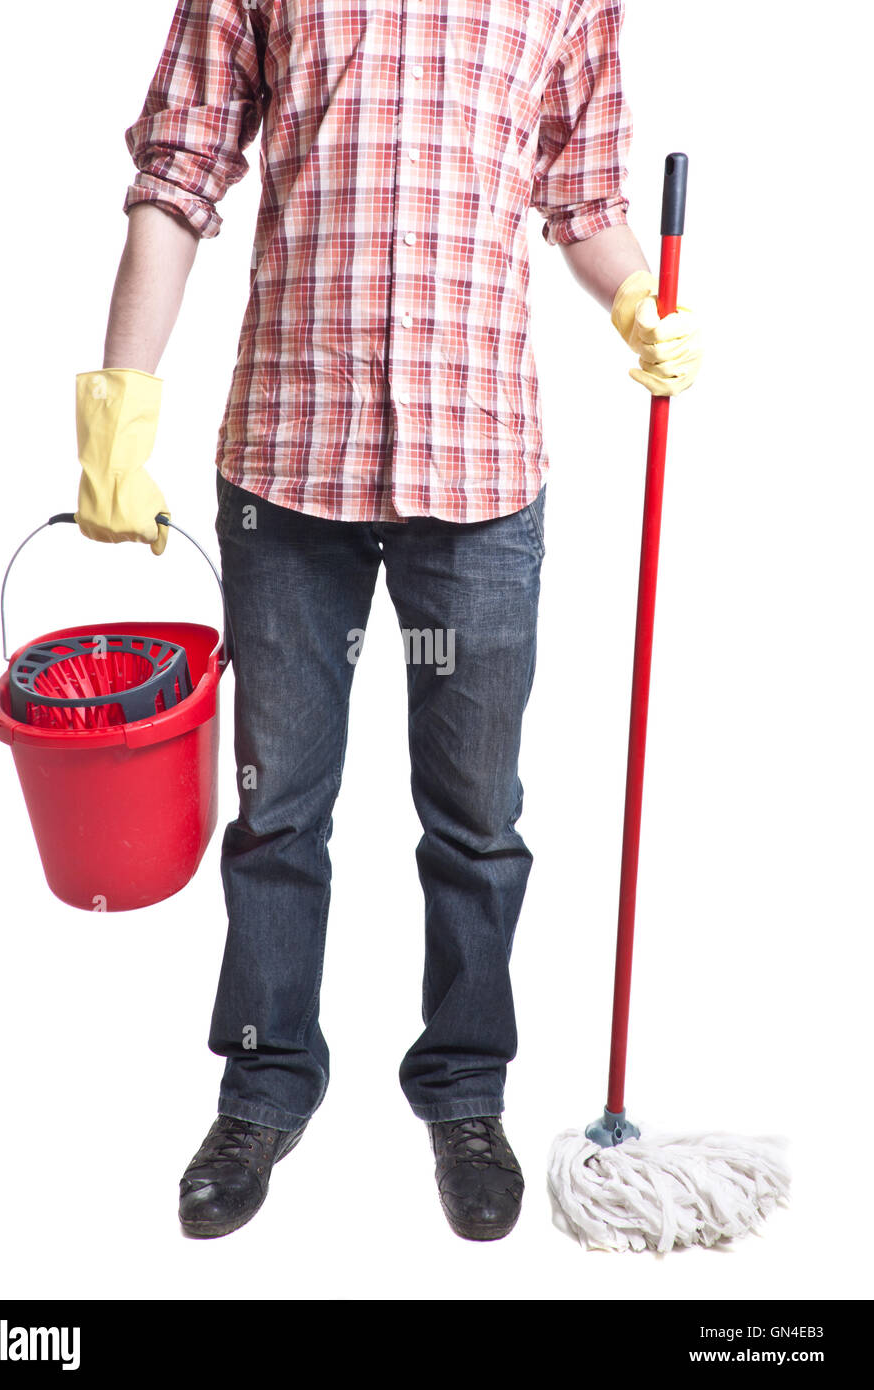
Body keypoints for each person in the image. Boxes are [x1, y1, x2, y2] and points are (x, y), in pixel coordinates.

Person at [74, 0, 701, 1242]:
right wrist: (119, 403)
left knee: (476, 818)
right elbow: (180, 170)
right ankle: (262, 1085)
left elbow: (585, 203)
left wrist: (636, 301)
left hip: (478, 480)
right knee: (277, 813)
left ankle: (466, 1093)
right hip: (285, 459)